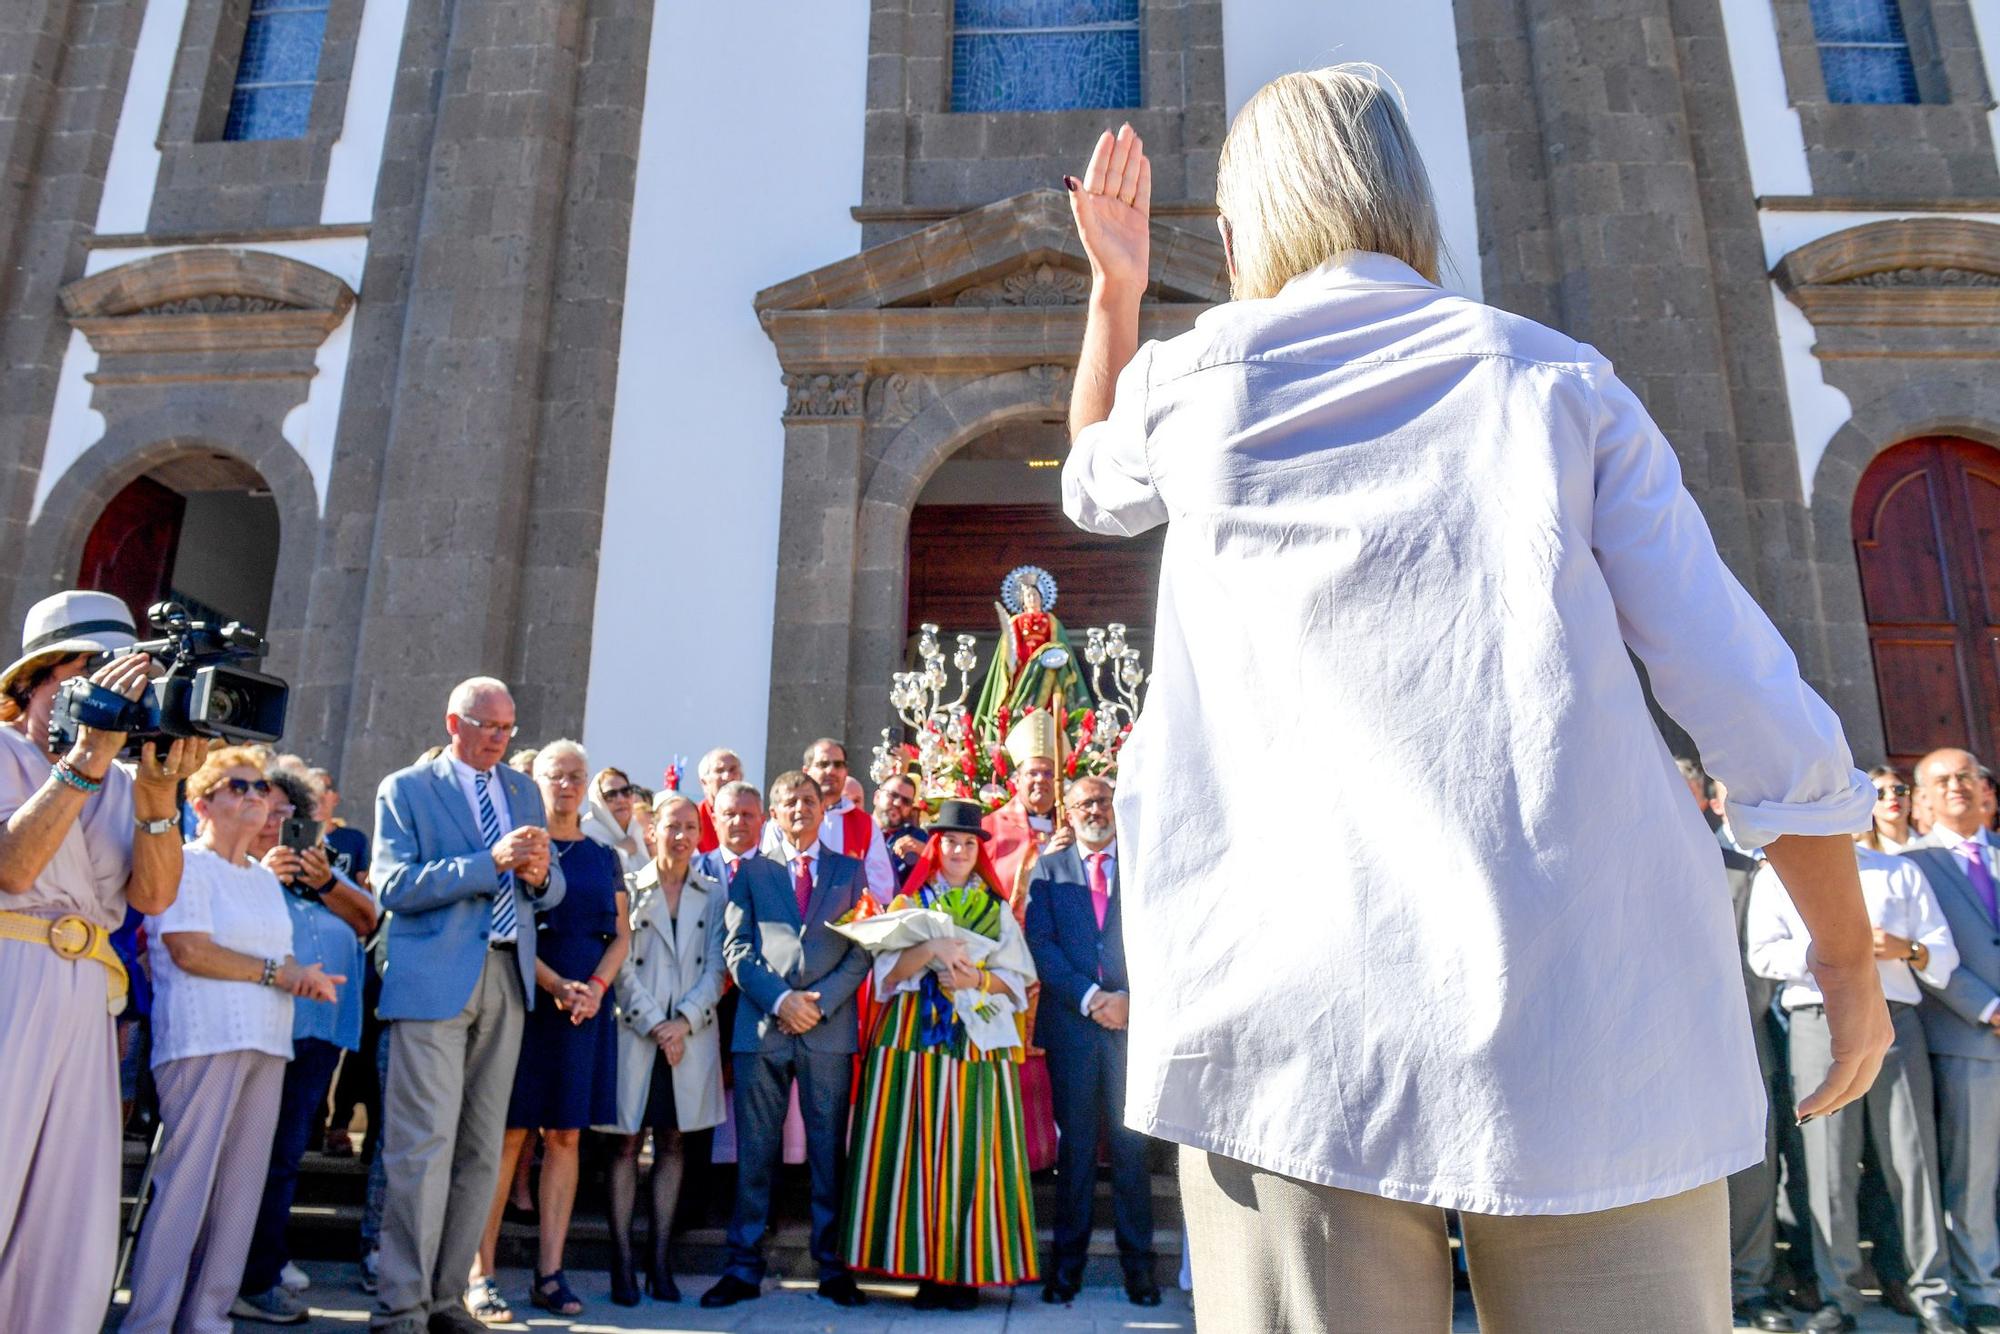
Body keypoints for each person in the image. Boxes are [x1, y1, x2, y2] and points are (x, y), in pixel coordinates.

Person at [1060, 69, 1892, 1330]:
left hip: (1291, 1030)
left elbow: (1084, 482)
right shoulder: (1554, 380)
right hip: (1587, 1021)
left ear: (1237, 237)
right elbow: (1742, 691)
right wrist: (1840, 953)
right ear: (1408, 205)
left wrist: (1114, 293)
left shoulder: (1191, 385)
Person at [0, 590, 207, 1331]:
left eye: (127, 680)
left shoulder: (122, 783)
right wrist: (86, 758)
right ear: (33, 683)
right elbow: (14, 869)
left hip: (90, 1001)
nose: (114, 695)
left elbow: (153, 896)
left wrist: (156, 793)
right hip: (8, 979)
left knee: (69, 1222)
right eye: (91, 675)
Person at [369, 677, 566, 1334]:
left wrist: (540, 875)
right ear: (455, 723)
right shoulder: (407, 788)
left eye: (508, 729)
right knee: (420, 1150)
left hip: (507, 977)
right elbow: (394, 884)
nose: (500, 740)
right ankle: (401, 1307)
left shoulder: (521, 789)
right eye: (488, 727)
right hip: (433, 984)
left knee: (483, 1151)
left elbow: (551, 886)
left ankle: (448, 1300)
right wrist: (490, 863)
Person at [125, 748, 341, 1334]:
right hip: (203, 1038)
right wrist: (277, 974)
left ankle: (207, 1320)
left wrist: (306, 976)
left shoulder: (264, 880)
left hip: (267, 1042)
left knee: (240, 1197)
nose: (255, 796)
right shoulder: (185, 863)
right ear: (201, 805)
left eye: (259, 787)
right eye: (237, 786)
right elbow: (189, 949)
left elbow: (283, 953)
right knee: (186, 1189)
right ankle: (149, 1321)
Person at [1748, 844, 1961, 1333]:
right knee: (1827, 1164)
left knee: (1914, 1161)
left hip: (1896, 1018)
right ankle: (1838, 1296)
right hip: (1814, 1019)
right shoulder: (1777, 873)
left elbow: (1942, 956)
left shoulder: (1898, 871)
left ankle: (1932, 1296)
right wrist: (1840, 949)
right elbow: (1762, 955)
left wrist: (1905, 948)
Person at [842, 798, 1040, 1308]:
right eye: (950, 841)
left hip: (977, 1043)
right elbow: (886, 976)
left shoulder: (996, 912)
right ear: (937, 846)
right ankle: (923, 1270)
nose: (958, 850)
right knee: (915, 1146)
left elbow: (1018, 982)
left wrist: (977, 976)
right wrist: (929, 951)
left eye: (968, 843)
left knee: (970, 1148)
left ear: (979, 851)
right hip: (912, 1040)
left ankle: (965, 1271)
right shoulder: (911, 904)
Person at [467, 740, 626, 1319]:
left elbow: (621, 935)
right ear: (534, 780)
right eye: (555, 775)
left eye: (576, 775)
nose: (566, 784)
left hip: (586, 1009)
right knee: (507, 1136)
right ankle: (480, 1274)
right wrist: (558, 986)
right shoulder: (517, 845)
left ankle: (550, 1274)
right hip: (526, 1000)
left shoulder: (604, 854)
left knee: (565, 1137)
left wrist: (595, 989)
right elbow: (505, 925)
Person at [703, 770, 871, 1310]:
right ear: (773, 814)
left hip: (827, 1029)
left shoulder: (849, 871)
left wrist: (814, 1003)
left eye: (807, 800)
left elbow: (861, 950)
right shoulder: (753, 871)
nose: (798, 809)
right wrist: (781, 1001)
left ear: (824, 809)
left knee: (828, 1153)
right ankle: (742, 1265)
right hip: (763, 1029)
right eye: (787, 803)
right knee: (756, 1152)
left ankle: (833, 1266)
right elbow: (737, 947)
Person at [235, 767, 379, 1322]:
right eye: (267, 812)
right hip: (259, 1029)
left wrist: (326, 883)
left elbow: (366, 920)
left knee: (284, 1158)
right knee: (252, 1157)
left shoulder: (324, 871)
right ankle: (246, 1273)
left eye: (284, 815)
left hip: (319, 1033)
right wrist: (262, 878)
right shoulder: (234, 869)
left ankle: (262, 1267)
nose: (276, 823)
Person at [1022, 776, 1159, 1306]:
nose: (1095, 811)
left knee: (1130, 1147)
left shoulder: (1144, 865)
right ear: (1069, 812)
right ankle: (1067, 1270)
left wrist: (1127, 998)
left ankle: (1140, 1271)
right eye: (1084, 804)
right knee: (1076, 1149)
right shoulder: (1049, 870)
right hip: (1074, 1027)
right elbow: (1042, 943)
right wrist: (1090, 997)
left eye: (1102, 801)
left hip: (1131, 1027)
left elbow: (1160, 938)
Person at [603, 795, 727, 1305]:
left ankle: (659, 1259)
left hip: (689, 1036)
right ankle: (622, 1261)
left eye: (690, 827)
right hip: (638, 1033)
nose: (681, 836)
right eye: (671, 826)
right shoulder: (630, 888)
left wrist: (684, 1022)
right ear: (651, 831)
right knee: (626, 1143)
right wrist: (658, 1024)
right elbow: (619, 965)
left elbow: (720, 967)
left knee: (674, 1141)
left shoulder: (715, 895)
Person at [1904, 748, 2000, 1333]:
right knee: (1975, 1173)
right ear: (1923, 799)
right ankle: (1981, 1284)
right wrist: (1988, 1009)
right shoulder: (1911, 865)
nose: (1956, 786)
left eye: (1966, 775)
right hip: (1968, 1037)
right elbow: (1924, 953)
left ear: (1986, 789)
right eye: (1942, 780)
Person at [761, 738, 895, 900]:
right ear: (806, 771)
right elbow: (769, 873)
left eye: (838, 765)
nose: (831, 771)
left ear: (846, 771)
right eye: (823, 764)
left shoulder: (865, 824)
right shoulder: (784, 819)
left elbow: (881, 886)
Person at [983, 713, 1063, 901]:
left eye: (1048, 773)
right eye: (1032, 773)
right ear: (1017, 781)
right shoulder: (992, 826)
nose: (1040, 779)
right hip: (1013, 925)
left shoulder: (1070, 826)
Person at [582, 764, 651, 877]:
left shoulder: (636, 828)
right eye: (610, 795)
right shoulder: (587, 833)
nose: (621, 799)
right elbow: (590, 876)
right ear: (599, 801)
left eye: (625, 791)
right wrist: (619, 852)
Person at [873, 774, 926, 880]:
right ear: (877, 797)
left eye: (906, 801)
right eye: (893, 795)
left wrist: (926, 853)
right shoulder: (854, 829)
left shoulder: (918, 839)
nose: (898, 803)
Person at [694, 747, 742, 854]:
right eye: (719, 771)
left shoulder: (754, 815)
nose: (727, 777)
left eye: (733, 769)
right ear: (704, 782)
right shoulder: (694, 817)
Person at [1863, 765, 1917, 853]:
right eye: (1879, 793)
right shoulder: (1862, 854)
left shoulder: (1934, 844)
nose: (1892, 796)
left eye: (1899, 789)